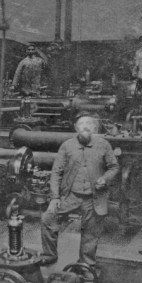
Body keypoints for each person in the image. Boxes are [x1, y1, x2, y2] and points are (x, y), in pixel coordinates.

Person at [40, 112, 119, 267]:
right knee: (48, 219)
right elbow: (56, 172)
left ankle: (86, 264)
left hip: (93, 197)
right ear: (76, 128)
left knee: (90, 232)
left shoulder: (104, 145)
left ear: (95, 127)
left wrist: (105, 178)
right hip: (70, 196)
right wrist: (55, 197)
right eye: (81, 124)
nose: (85, 126)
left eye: (89, 124)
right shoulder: (67, 146)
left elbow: (114, 167)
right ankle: (49, 255)